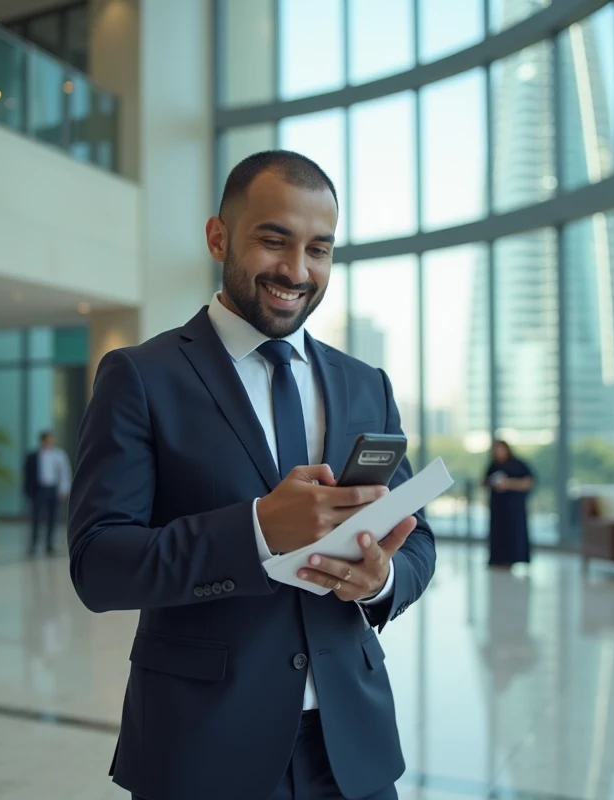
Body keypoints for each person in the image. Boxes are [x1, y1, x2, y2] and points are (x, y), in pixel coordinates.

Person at [67, 150, 436, 800]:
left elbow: (417, 539)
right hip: (202, 747)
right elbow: (98, 564)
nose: (297, 271)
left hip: (351, 751)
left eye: (319, 249)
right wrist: (258, 529)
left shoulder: (365, 384)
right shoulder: (141, 378)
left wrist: (382, 582)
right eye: (275, 240)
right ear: (218, 237)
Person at [483, 439, 534, 568]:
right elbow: (484, 481)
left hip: (514, 507)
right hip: (498, 508)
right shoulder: (493, 465)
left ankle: (516, 559)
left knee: (515, 534)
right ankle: (498, 560)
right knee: (498, 534)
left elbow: (528, 482)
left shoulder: (518, 464)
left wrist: (508, 484)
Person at [23, 431, 70, 556]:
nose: (50, 442)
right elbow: (27, 476)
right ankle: (33, 544)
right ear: (43, 440)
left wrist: (63, 490)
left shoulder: (59, 455)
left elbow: (64, 473)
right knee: (36, 518)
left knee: (52, 518)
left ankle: (49, 544)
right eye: (47, 439)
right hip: (39, 489)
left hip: (53, 488)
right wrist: (28, 491)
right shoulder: (33, 456)